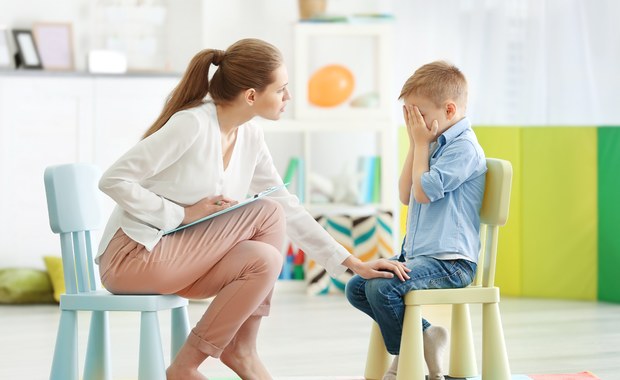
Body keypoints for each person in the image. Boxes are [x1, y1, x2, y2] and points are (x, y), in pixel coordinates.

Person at [95, 38, 410, 380]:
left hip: (184, 263)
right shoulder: (192, 124)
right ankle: (236, 352)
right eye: (282, 89)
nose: (288, 98)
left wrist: (352, 263)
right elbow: (113, 180)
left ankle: (208, 359)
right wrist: (182, 214)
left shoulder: (251, 137)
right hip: (133, 259)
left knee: (266, 258)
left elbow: (288, 207)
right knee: (268, 211)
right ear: (251, 96)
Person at [345, 61, 487, 380]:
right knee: (357, 287)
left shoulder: (464, 148)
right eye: (408, 116)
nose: (414, 124)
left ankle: (404, 362)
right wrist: (415, 143)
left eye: (418, 115)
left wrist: (421, 144)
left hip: (452, 262)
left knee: (383, 290)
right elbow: (406, 193)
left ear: (449, 109)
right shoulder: (430, 143)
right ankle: (425, 338)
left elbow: (423, 193)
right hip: (419, 257)